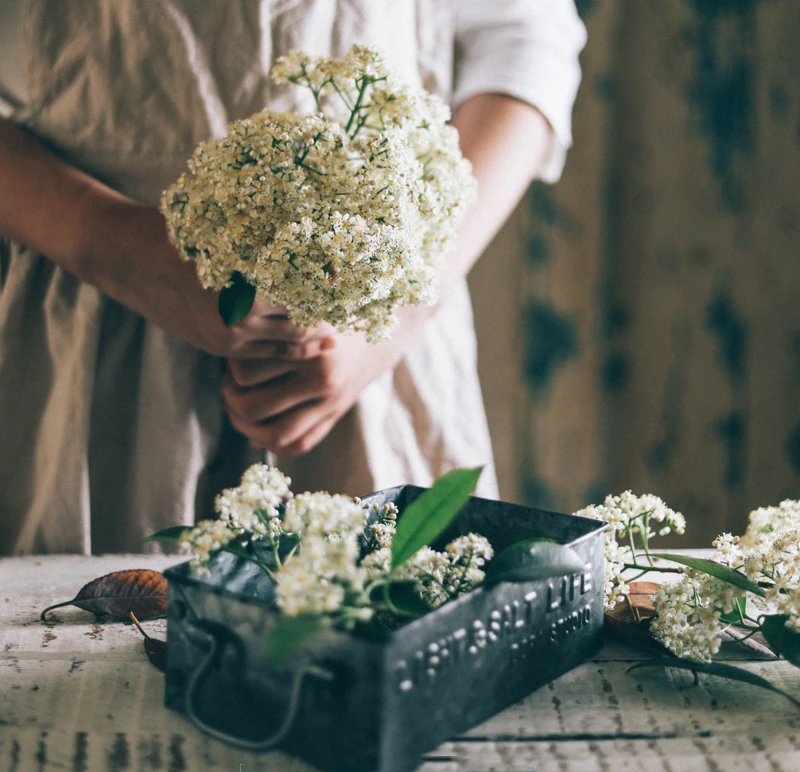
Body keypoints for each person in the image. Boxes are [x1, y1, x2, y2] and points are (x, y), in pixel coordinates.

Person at [0, 0, 586, 555]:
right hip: (97, 340)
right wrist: (113, 243)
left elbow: (528, 41)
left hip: (369, 354)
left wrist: (395, 310)